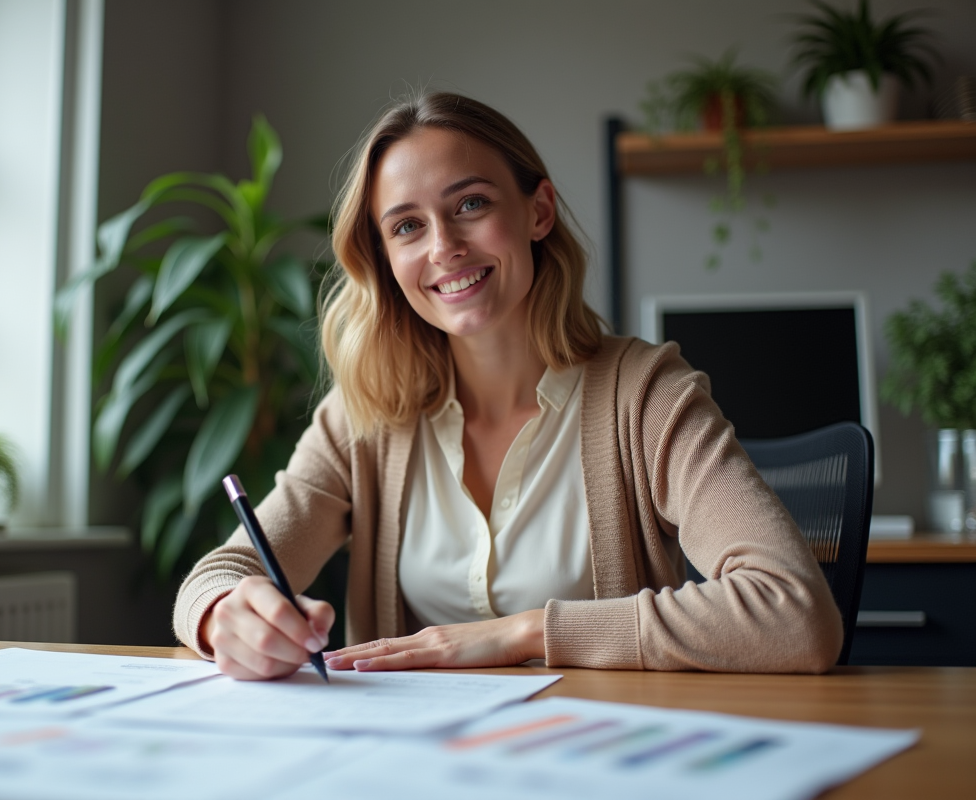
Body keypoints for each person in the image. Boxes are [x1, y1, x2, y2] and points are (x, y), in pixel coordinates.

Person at [173, 92, 843, 681]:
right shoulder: (364, 415)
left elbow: (796, 612)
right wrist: (226, 616)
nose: (444, 247)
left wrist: (522, 633)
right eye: (407, 225)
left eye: (470, 204)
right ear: (385, 259)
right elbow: (216, 578)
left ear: (539, 211)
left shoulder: (646, 395)